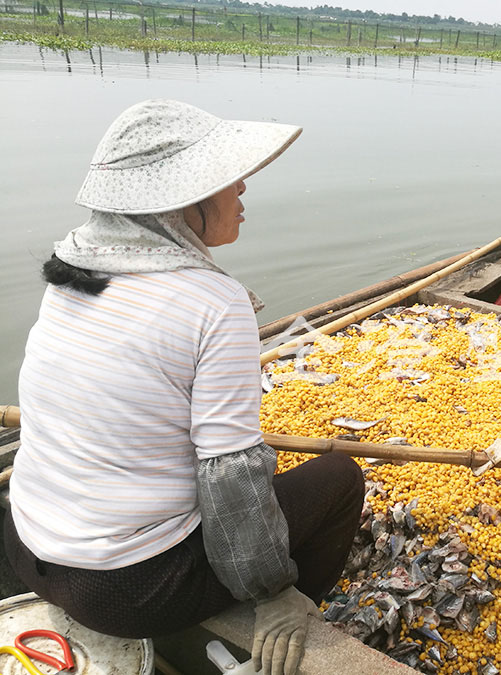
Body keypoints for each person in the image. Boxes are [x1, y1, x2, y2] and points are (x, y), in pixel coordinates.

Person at [5, 99, 364, 675]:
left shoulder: (73, 273)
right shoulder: (212, 303)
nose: (243, 190)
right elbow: (231, 474)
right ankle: (281, 624)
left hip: (25, 550)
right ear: (181, 204)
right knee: (339, 478)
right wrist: (272, 588)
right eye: (227, 180)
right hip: (125, 591)